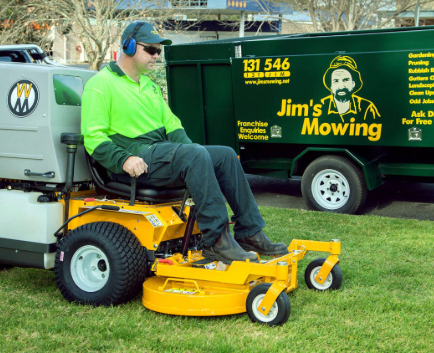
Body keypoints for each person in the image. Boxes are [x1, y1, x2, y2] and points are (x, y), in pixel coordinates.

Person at [81, 21, 288, 264]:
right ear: (128, 46)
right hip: (133, 157)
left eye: (160, 51)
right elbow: (93, 137)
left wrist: (192, 151)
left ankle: (249, 231)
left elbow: (173, 126)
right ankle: (217, 241)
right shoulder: (100, 85)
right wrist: (124, 159)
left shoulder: (149, 86)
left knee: (225, 155)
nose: (157, 56)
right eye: (151, 50)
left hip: (158, 152)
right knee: (195, 155)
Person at [321, 55, 380, 122]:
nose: (341, 86)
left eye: (345, 80)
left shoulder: (367, 107)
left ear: (353, 84)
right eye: (336, 81)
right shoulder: (320, 106)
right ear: (331, 86)